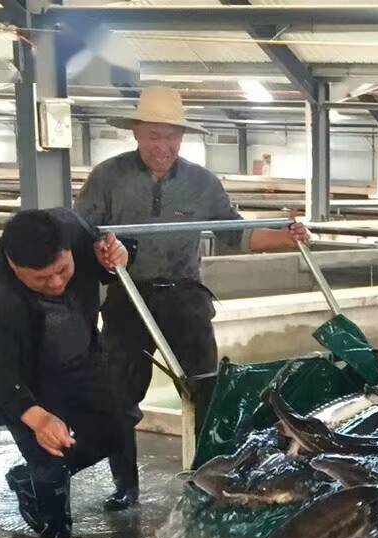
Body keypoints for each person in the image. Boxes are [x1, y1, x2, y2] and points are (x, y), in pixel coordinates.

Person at [74, 85, 309, 510]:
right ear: (136, 134)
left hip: (183, 294)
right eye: (153, 136)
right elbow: (79, 232)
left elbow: (234, 234)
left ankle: (207, 479)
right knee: (118, 395)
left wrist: (285, 237)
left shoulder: (202, 184)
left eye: (171, 137)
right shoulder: (108, 177)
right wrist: (102, 252)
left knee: (205, 388)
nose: (162, 146)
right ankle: (125, 485)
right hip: (128, 295)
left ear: (181, 138)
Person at [0, 209, 130, 538]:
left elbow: (114, 260)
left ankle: (34, 479)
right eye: (41, 280)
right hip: (32, 380)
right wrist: (38, 419)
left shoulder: (74, 229)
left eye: (62, 270)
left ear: (68, 248)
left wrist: (118, 255)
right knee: (52, 476)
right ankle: (48, 517)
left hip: (83, 356)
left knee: (119, 425)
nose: (56, 284)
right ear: (14, 267)